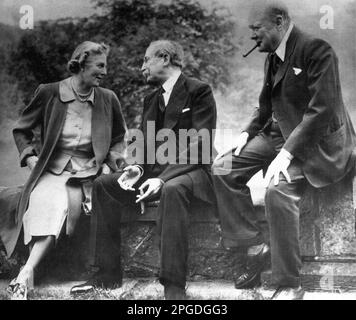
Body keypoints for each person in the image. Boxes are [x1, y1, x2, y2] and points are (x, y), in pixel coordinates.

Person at [212, 1, 356, 300]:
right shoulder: (273, 57)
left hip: (313, 143)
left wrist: (287, 154)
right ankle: (253, 245)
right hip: (278, 134)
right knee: (223, 167)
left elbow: (322, 110)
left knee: (277, 190)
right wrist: (246, 133)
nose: (252, 36)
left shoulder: (317, 51)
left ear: (279, 21)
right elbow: (266, 103)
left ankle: (289, 283)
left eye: (256, 29)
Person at [70, 40, 217, 299]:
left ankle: (173, 287)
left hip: (191, 172)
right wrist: (136, 168)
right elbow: (143, 144)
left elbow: (201, 144)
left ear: (164, 58)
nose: (142, 68)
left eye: (146, 60)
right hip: (154, 175)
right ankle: (106, 276)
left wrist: (161, 179)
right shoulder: (151, 98)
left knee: (171, 189)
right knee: (104, 185)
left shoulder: (199, 91)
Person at [4, 41, 127, 299]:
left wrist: (109, 164)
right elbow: (21, 129)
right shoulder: (49, 93)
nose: (105, 72)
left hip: (90, 175)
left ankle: (22, 277)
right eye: (99, 65)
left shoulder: (108, 98)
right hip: (54, 171)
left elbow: (119, 138)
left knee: (71, 206)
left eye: (106, 66)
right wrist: (30, 158)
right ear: (81, 64)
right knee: (46, 203)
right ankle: (26, 275)